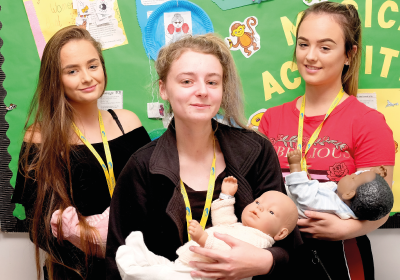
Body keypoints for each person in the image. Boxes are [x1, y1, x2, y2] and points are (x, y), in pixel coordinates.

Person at [106, 33, 302, 280]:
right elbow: (117, 258)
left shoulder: (257, 151)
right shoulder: (142, 166)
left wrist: (263, 261)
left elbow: (290, 244)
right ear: (164, 89)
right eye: (187, 81)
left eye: (212, 82)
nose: (202, 91)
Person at [258, 2, 395, 279]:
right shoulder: (271, 119)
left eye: (325, 47)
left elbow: (380, 207)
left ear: (349, 54)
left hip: (340, 256)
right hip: (276, 253)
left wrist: (345, 230)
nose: (310, 56)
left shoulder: (368, 122)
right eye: (303, 44)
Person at [11, 26, 150, 280]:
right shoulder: (40, 137)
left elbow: (151, 196)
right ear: (56, 79)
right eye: (72, 71)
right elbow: (38, 226)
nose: (87, 78)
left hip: (136, 265)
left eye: (93, 66)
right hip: (76, 273)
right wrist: (96, 249)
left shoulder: (129, 123)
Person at [115, 176, 298, 280]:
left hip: (206, 276)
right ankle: (144, 259)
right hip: (191, 267)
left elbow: (228, 252)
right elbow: (223, 222)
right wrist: (226, 197)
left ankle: (134, 271)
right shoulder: (241, 227)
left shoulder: (259, 240)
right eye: (258, 202)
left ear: (281, 233)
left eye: (271, 212)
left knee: (162, 276)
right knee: (165, 267)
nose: (259, 208)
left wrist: (203, 239)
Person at [286, 150, 393, 221]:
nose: (351, 174)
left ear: (348, 194)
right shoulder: (350, 204)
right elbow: (361, 181)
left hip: (284, 202)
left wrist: (295, 166)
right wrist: (373, 173)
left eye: (353, 177)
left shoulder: (329, 205)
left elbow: (302, 193)